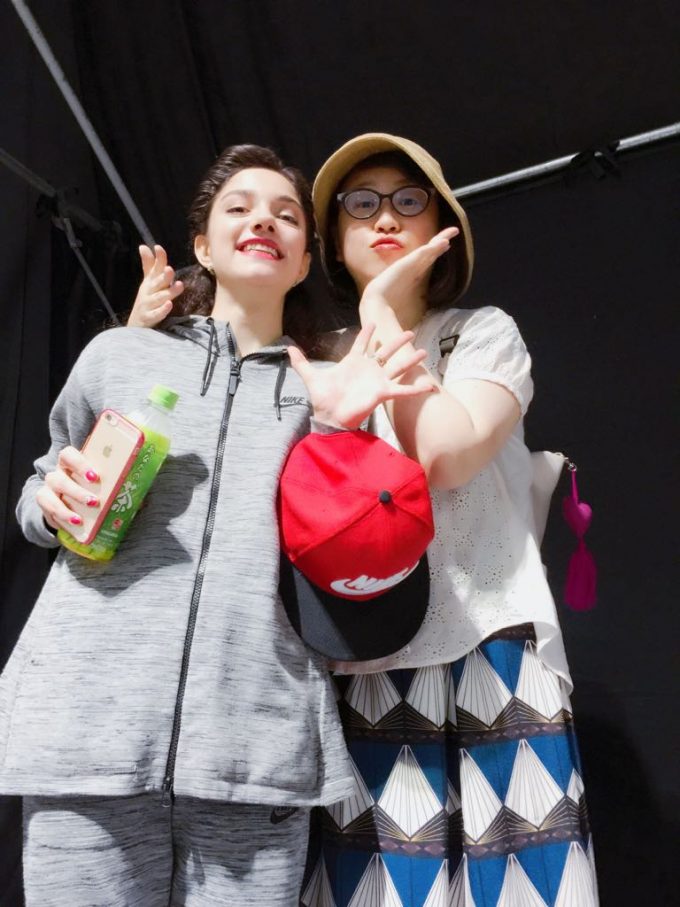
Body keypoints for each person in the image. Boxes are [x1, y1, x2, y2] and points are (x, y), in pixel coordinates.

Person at [128, 135, 600, 906]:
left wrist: (381, 311)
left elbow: (443, 454)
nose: (385, 217)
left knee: (522, 888)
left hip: (493, 647)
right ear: (331, 240)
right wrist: (138, 342)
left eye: (408, 200)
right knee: (382, 890)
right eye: (361, 203)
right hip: (362, 656)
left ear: (441, 226)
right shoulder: (310, 359)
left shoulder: (480, 332)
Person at [0, 143, 433, 907]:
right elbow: (41, 487)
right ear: (202, 246)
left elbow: (358, 552)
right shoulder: (118, 354)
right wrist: (50, 501)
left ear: (305, 259)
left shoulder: (329, 391)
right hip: (86, 733)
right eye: (240, 207)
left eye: (286, 214)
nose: (263, 220)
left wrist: (340, 431)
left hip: (255, 751)